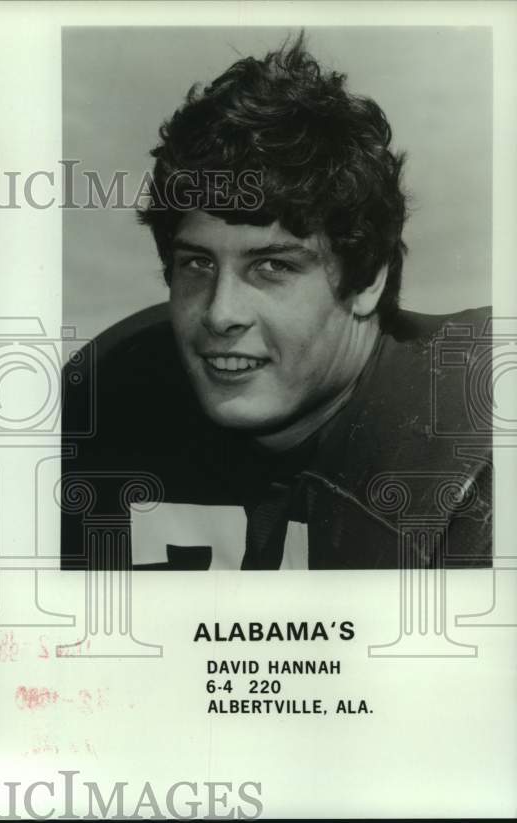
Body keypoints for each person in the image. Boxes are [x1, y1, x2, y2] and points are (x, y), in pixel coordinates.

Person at [61, 35, 492, 571]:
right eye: (198, 264)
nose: (221, 313)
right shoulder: (111, 395)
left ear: (367, 280)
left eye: (273, 267)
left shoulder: (476, 419)